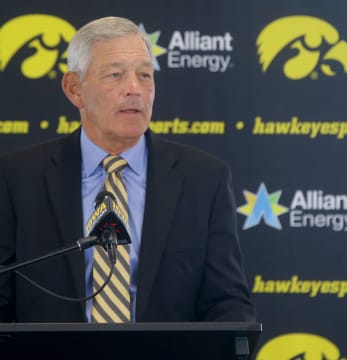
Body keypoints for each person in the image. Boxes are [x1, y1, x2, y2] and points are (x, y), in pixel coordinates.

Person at [0, 16, 256, 323]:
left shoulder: (204, 179)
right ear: (74, 89)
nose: (134, 89)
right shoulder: (17, 178)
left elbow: (228, 303)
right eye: (115, 75)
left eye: (145, 76)